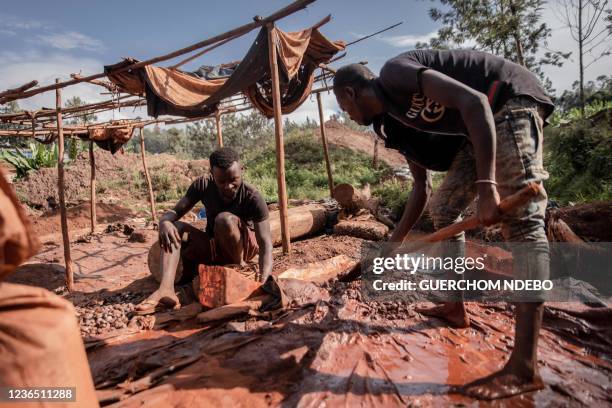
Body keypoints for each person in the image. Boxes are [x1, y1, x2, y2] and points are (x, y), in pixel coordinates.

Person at [332, 49, 553, 400]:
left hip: (507, 103)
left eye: (344, 109)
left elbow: (476, 100)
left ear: (349, 93)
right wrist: (391, 246)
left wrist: (486, 187)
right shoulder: (388, 121)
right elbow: (422, 187)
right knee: (444, 211)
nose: (346, 114)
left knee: (523, 227)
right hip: (475, 135)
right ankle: (455, 305)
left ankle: (524, 367)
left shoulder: (394, 73)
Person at [136, 147, 273, 314]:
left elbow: (265, 243)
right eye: (221, 181)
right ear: (212, 174)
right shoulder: (203, 185)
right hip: (214, 247)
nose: (228, 186)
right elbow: (176, 212)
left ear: (241, 170)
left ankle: (236, 268)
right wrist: (164, 222)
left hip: (242, 250)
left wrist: (264, 280)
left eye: (233, 180)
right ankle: (166, 290)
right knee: (176, 227)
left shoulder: (253, 197)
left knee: (224, 219)